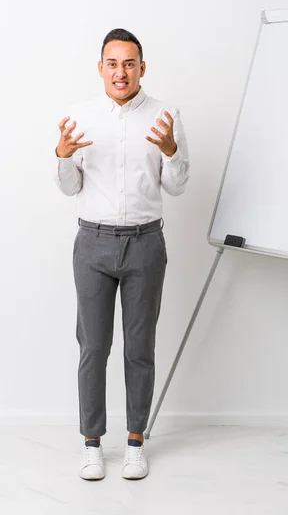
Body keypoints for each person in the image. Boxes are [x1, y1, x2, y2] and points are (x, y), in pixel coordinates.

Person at [54, 28, 190, 481]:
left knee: (140, 349)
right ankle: (91, 445)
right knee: (93, 347)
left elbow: (176, 184)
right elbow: (70, 186)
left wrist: (171, 152)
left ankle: (135, 443)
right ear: (101, 68)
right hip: (92, 243)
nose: (121, 72)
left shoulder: (165, 115)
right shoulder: (79, 116)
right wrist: (62, 156)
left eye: (129, 63)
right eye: (112, 63)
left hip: (146, 244)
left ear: (142, 68)